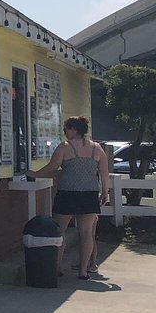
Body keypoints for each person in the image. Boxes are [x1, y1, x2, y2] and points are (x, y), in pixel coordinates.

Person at [28, 115, 109, 280]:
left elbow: (52, 166)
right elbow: (104, 173)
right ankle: (84, 270)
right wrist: (105, 192)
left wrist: (34, 174)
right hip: (89, 194)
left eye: (66, 129)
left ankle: (56, 267)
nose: (65, 132)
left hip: (68, 193)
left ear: (73, 130)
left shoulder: (65, 147)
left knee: (60, 231)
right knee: (86, 232)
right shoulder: (97, 148)